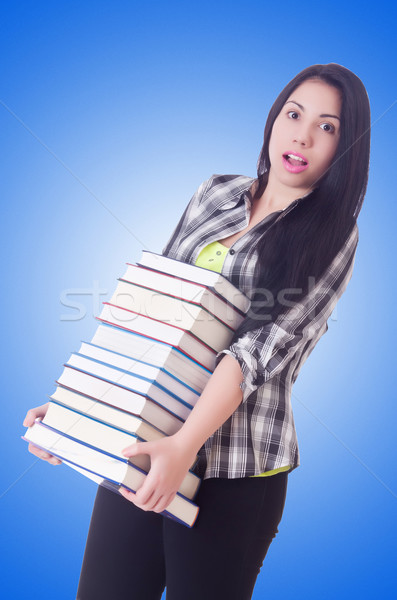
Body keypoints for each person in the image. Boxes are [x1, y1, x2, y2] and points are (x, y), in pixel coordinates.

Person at [23, 63, 371, 600]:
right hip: (143, 442)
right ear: (274, 119)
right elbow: (152, 309)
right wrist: (78, 409)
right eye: (294, 114)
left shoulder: (334, 235)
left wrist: (185, 445)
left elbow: (257, 352)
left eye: (328, 127)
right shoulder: (215, 192)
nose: (302, 134)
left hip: (236, 470)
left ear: (346, 149)